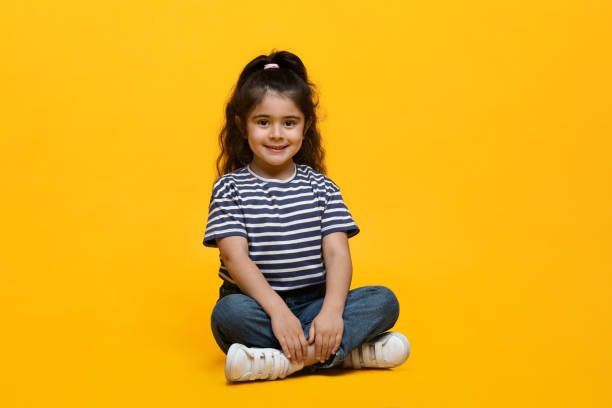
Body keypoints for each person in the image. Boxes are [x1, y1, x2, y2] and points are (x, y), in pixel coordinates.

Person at [203, 50, 410, 382]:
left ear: (306, 125)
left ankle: (286, 361)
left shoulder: (322, 187)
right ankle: (343, 354)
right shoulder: (230, 188)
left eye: (289, 123)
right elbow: (234, 256)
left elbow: (337, 253)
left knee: (384, 301)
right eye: (263, 122)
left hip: (316, 303)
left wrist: (330, 313)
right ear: (243, 126)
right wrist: (278, 313)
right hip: (259, 306)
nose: (276, 134)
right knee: (229, 315)